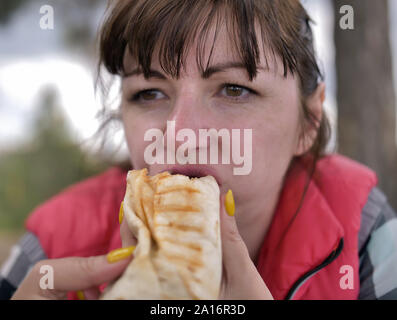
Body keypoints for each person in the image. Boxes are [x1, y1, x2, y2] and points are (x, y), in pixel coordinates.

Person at [1, 0, 397, 300]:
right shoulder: (51, 249)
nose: (182, 133)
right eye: (149, 92)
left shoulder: (363, 233)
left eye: (235, 89)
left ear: (308, 122)